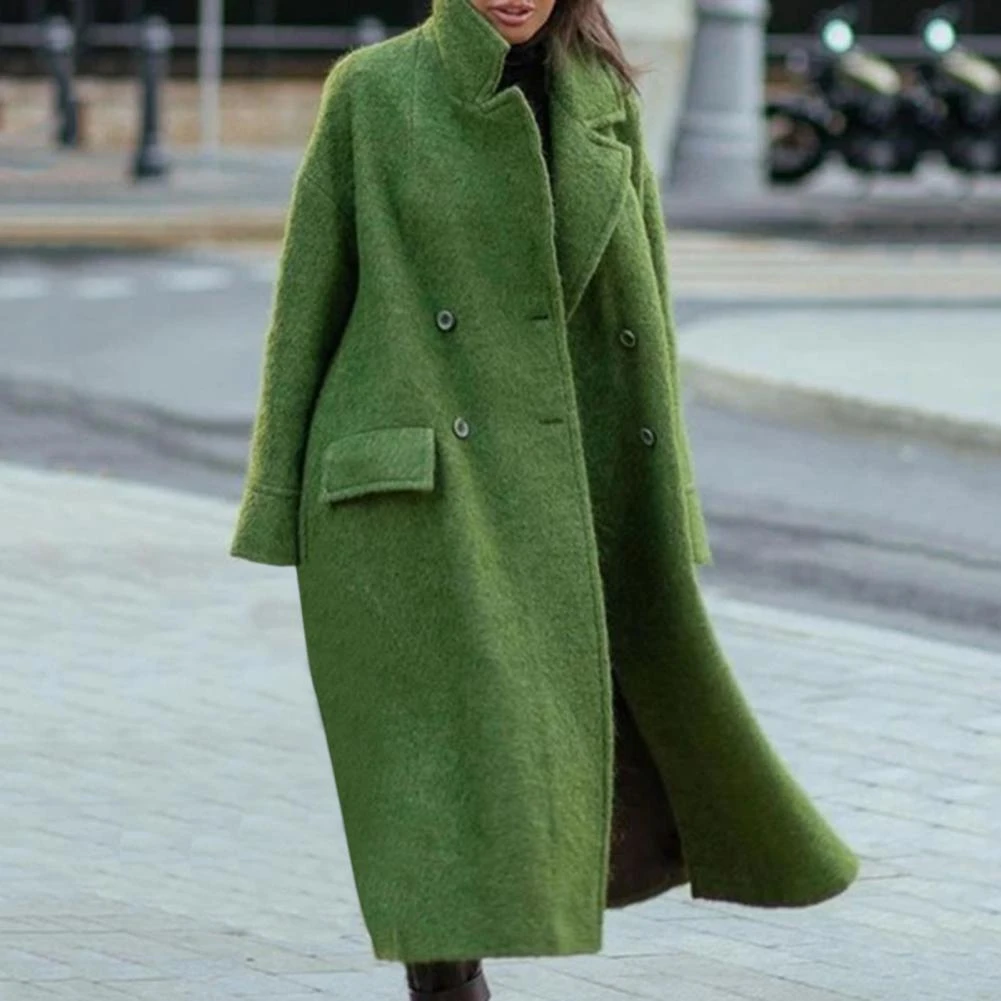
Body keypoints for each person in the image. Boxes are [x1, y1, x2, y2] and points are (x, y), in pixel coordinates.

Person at [229, 1, 861, 1000]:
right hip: (411, 489)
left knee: (570, 743)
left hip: (555, 477)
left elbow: (642, 310)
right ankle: (447, 981)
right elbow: (307, 297)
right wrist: (275, 499)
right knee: (444, 758)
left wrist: (664, 497)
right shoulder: (376, 91)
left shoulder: (601, 96)